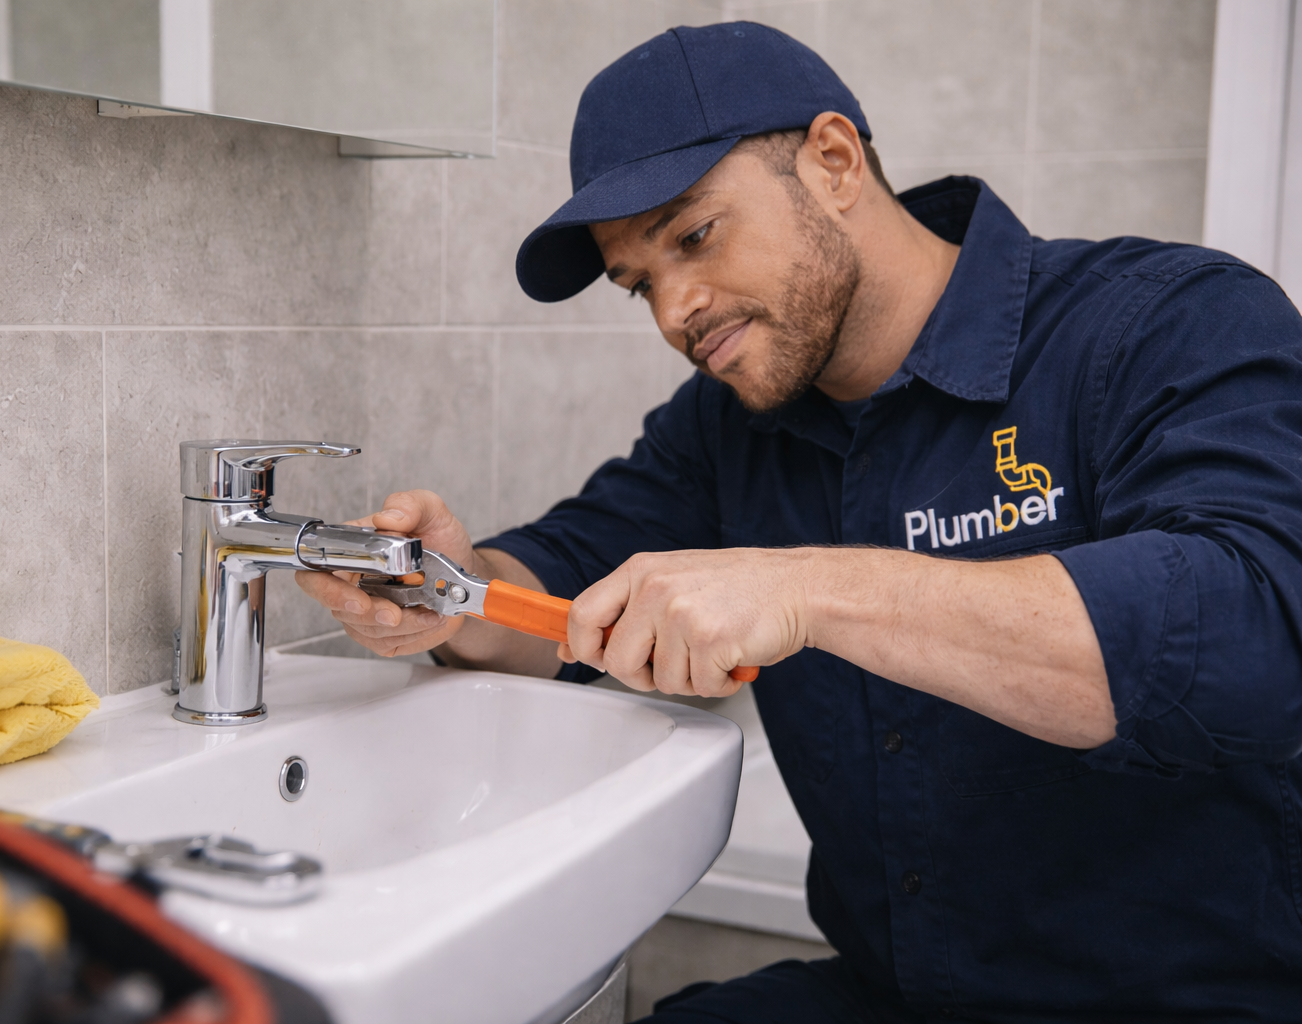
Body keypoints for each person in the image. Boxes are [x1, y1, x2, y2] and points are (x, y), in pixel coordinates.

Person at [296, 21, 1302, 1023]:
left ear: (833, 161)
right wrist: (452, 589)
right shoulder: (727, 427)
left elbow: (1254, 636)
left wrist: (804, 589)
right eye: (640, 282)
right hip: (887, 996)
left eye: (695, 236)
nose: (674, 313)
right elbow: (563, 573)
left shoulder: (1170, 322)